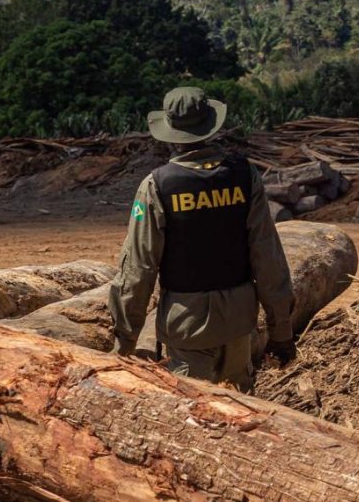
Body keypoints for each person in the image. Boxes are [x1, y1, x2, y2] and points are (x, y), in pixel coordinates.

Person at [108, 86, 295, 391]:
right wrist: (281, 330)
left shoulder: (156, 185)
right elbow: (267, 255)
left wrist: (125, 340)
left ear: (170, 133)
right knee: (240, 411)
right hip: (238, 322)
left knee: (197, 418)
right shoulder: (244, 175)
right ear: (210, 126)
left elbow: (139, 268)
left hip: (187, 327)